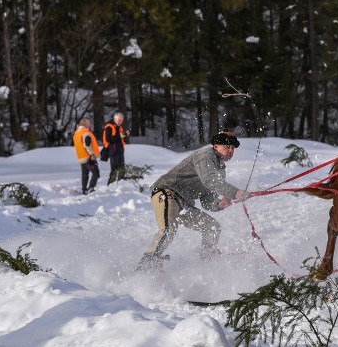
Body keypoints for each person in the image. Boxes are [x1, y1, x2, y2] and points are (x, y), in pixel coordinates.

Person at [135, 131, 249, 272]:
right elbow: (210, 181)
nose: (231, 151)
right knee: (168, 230)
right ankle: (145, 267)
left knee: (212, 227)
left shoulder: (220, 170)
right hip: (167, 193)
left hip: (183, 204)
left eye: (233, 148)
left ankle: (205, 261)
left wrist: (219, 204)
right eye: (227, 146)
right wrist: (235, 192)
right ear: (216, 146)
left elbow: (207, 199)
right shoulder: (205, 156)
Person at [73, 118, 100, 195]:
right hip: (89, 157)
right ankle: (91, 188)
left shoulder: (77, 133)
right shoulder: (86, 133)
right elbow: (87, 145)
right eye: (89, 123)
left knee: (85, 174)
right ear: (84, 124)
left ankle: (84, 189)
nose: (90, 124)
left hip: (81, 157)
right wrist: (92, 154)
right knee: (96, 173)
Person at [103, 111, 130, 184]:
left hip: (120, 150)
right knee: (114, 170)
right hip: (113, 151)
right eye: (119, 120)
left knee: (122, 169)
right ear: (115, 119)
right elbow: (108, 139)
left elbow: (122, 140)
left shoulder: (120, 127)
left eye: (121, 121)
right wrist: (119, 136)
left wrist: (125, 135)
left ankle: (121, 184)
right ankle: (109, 185)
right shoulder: (109, 126)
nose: (120, 122)